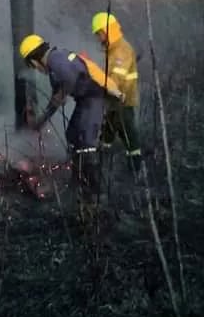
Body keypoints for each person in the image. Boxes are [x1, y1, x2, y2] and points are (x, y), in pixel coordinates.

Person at [18, 34, 126, 214]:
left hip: (94, 98)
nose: (36, 70)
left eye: (32, 66)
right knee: (72, 135)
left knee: (85, 143)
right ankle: (77, 185)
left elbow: (65, 86)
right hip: (86, 100)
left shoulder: (57, 61)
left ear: (34, 60)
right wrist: (44, 118)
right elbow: (57, 94)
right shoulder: (56, 60)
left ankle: (96, 195)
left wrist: (43, 119)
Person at [90, 11, 142, 175]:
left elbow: (115, 81)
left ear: (106, 31)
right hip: (114, 103)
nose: (98, 38)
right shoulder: (113, 49)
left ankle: (134, 173)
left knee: (129, 138)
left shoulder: (120, 51)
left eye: (99, 34)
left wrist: (98, 88)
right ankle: (102, 168)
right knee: (107, 134)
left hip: (123, 102)